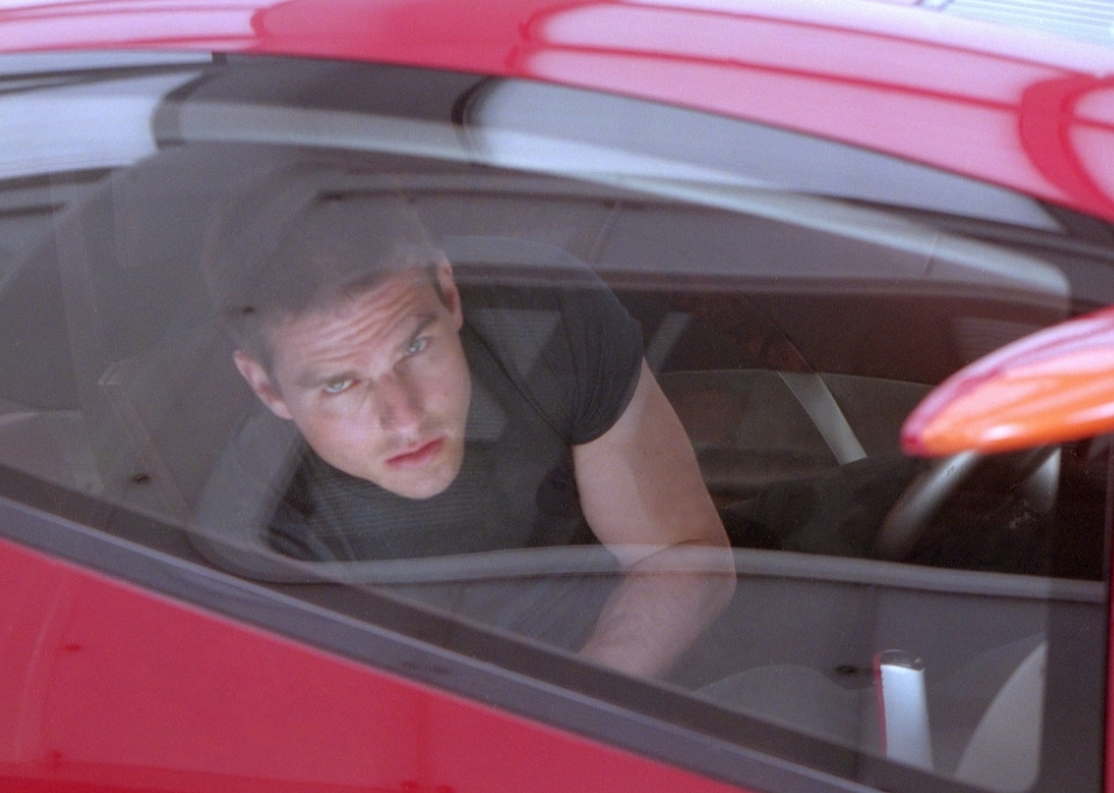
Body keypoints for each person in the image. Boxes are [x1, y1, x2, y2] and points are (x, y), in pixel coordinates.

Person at [198, 169, 733, 679]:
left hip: (629, 667)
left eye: (414, 347)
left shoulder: (544, 312)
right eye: (340, 385)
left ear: (449, 293)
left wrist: (574, 709)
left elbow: (682, 554)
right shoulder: (258, 533)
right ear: (267, 388)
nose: (406, 418)